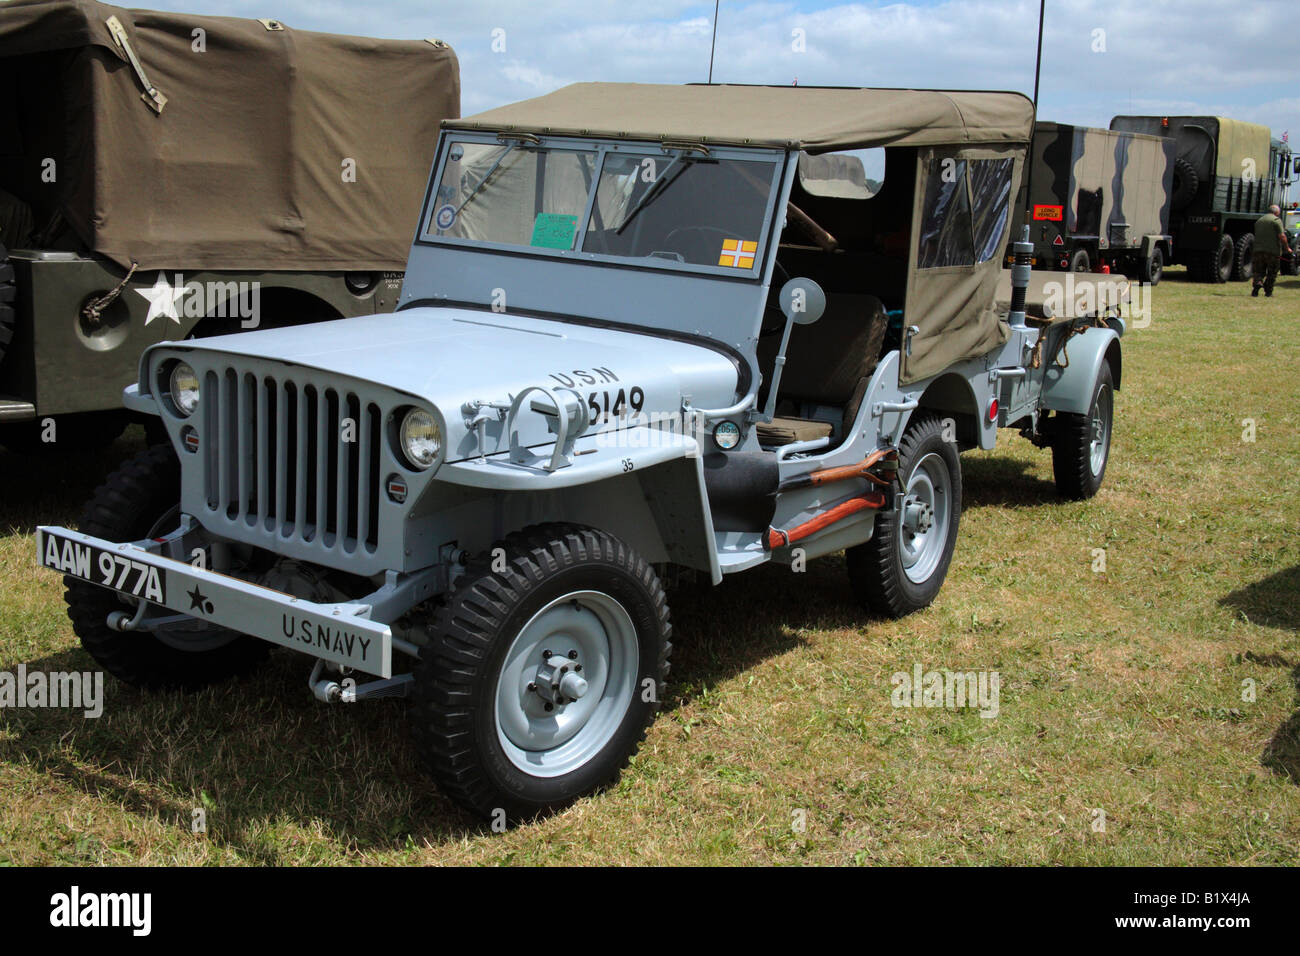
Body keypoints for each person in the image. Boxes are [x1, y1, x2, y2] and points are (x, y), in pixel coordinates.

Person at [1251, 204, 1291, 297]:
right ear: (1276, 212)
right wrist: (1287, 248)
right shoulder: (1276, 221)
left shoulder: (1259, 221)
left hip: (1258, 250)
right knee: (1272, 272)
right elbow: (1282, 236)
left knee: (1258, 271)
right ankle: (1268, 291)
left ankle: (1257, 285)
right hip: (1272, 252)